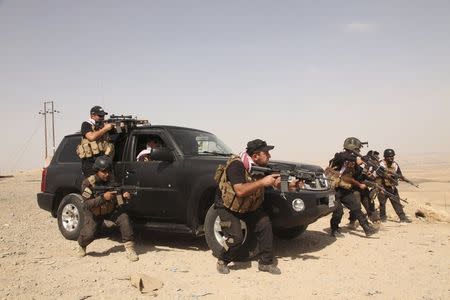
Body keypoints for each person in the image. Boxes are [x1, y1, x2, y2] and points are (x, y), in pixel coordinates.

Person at [213, 139, 297, 275]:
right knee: (236, 238)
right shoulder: (236, 165)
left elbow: (276, 183)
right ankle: (223, 260)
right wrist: (262, 182)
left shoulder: (261, 167)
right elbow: (239, 191)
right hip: (228, 206)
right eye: (267, 153)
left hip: (248, 205)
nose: (269, 156)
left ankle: (266, 263)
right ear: (256, 156)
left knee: (265, 226)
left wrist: (293, 186)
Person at [76, 155, 139, 261]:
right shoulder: (89, 184)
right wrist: (103, 198)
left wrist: (124, 197)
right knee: (89, 233)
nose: (107, 174)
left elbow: (119, 199)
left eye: (108, 171)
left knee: (124, 218)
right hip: (94, 212)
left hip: (110, 210)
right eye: (104, 171)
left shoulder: (113, 180)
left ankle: (130, 249)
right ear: (97, 171)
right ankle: (81, 246)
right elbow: (86, 205)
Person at [326, 137, 378, 238]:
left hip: (344, 189)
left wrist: (367, 171)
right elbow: (343, 157)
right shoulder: (339, 157)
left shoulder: (353, 163)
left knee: (356, 207)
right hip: (332, 190)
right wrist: (359, 159)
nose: (358, 151)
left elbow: (357, 176)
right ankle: (334, 229)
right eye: (357, 149)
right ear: (352, 148)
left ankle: (367, 229)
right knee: (338, 211)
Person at [76, 106, 115, 176]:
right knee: (91, 184)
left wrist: (119, 126)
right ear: (92, 115)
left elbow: (119, 132)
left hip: (103, 162)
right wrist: (105, 129)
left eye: (103, 116)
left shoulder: (103, 126)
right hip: (91, 162)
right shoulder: (86, 124)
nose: (102, 117)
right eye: (100, 115)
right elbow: (91, 137)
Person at [376, 149, 412, 223]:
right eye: (389, 156)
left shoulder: (395, 164)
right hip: (382, 187)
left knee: (397, 202)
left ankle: (402, 218)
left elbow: (399, 174)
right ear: (385, 157)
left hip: (392, 187)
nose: (391, 158)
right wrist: (380, 188)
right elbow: (377, 175)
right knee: (382, 204)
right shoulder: (380, 164)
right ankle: (382, 218)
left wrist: (403, 178)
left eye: (392, 156)